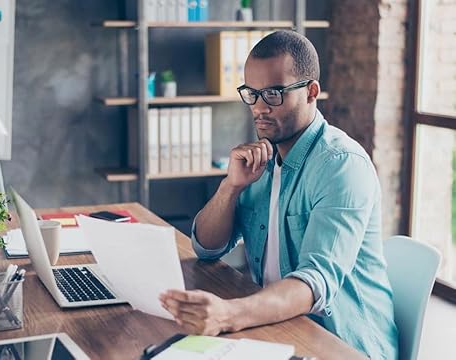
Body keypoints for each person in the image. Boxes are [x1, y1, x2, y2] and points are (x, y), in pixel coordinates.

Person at [159, 30, 398, 359]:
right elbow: (207, 247)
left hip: (341, 344)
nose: (259, 107)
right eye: (251, 94)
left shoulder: (342, 166)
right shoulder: (262, 159)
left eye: (273, 93)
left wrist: (227, 314)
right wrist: (231, 187)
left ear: (311, 92)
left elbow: (315, 282)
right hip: (276, 328)